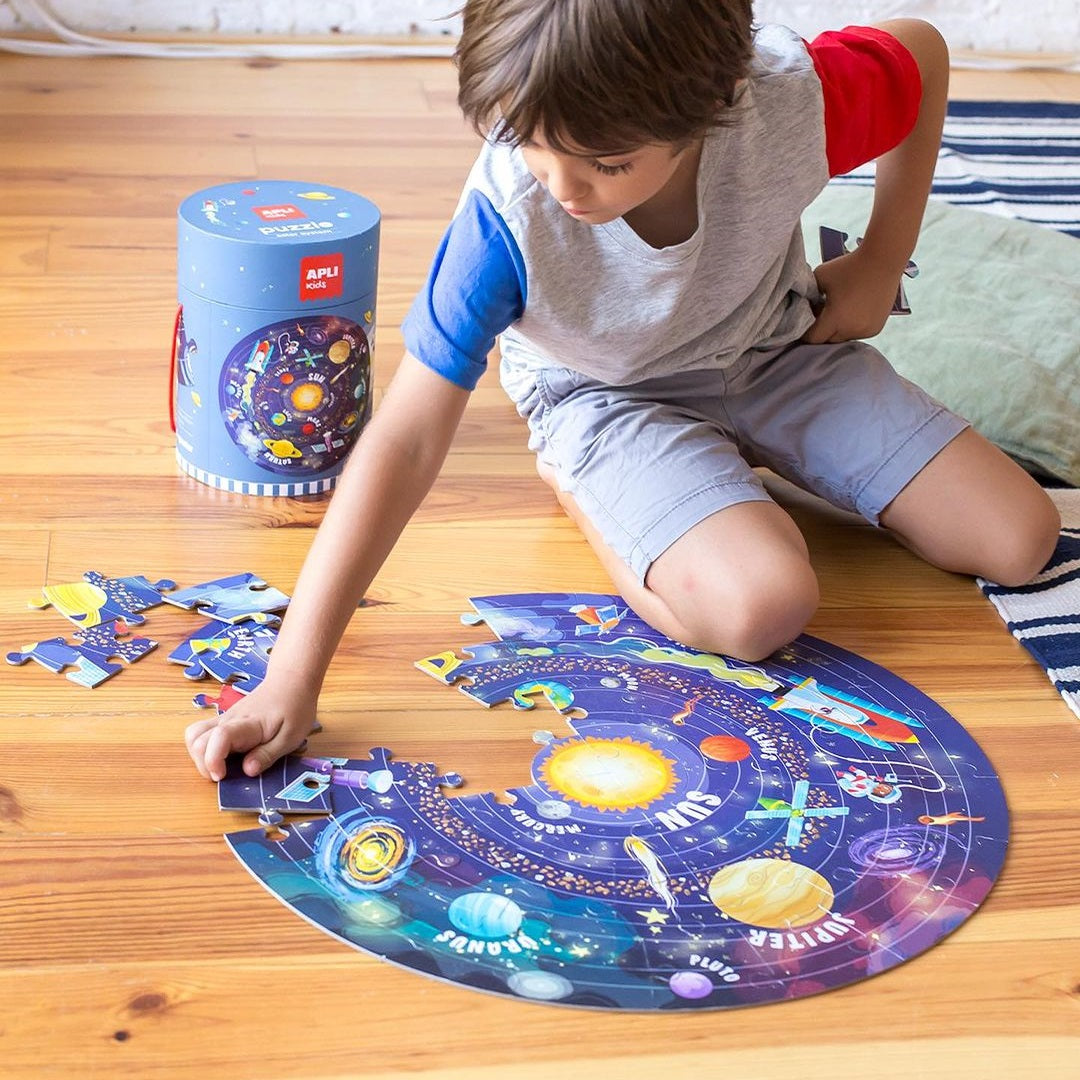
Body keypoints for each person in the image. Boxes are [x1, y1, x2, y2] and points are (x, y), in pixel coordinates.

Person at [186, 0, 1060, 782]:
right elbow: (406, 439)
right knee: (761, 607)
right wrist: (291, 676)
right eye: (527, 139)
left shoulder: (789, 98)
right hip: (604, 396)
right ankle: (585, 482)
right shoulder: (507, 219)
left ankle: (717, 469)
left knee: (1020, 538)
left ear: (719, 101)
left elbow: (920, 50)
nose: (561, 186)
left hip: (775, 352)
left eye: (606, 162)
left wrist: (879, 258)